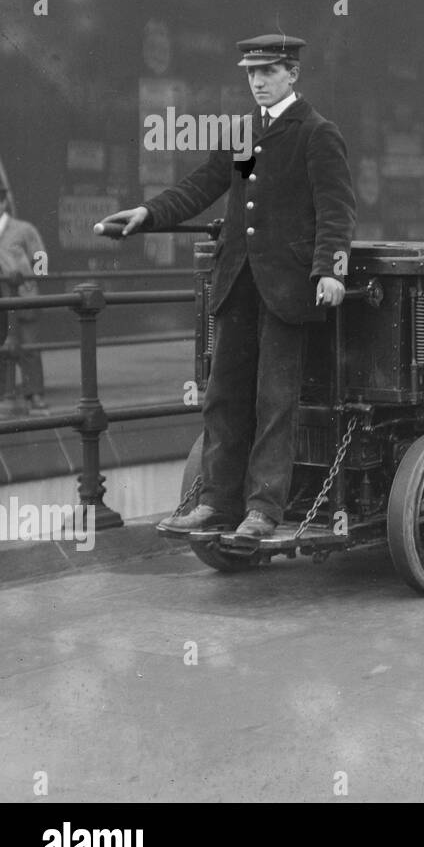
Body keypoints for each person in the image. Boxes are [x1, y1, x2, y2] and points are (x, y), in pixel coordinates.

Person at [101, 33, 356, 538]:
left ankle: (262, 509)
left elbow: (336, 208)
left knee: (275, 402)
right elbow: (201, 185)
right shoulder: (244, 133)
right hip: (237, 285)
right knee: (224, 395)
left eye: (268, 72)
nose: (257, 82)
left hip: (286, 290)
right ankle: (217, 503)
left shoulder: (316, 133)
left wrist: (332, 269)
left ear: (293, 74)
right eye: (251, 73)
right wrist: (148, 213)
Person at [0, 187, 49, 416]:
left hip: (22, 297)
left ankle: (34, 394)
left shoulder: (23, 229)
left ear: (3, 203)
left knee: (29, 346)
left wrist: (32, 282)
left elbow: (41, 256)